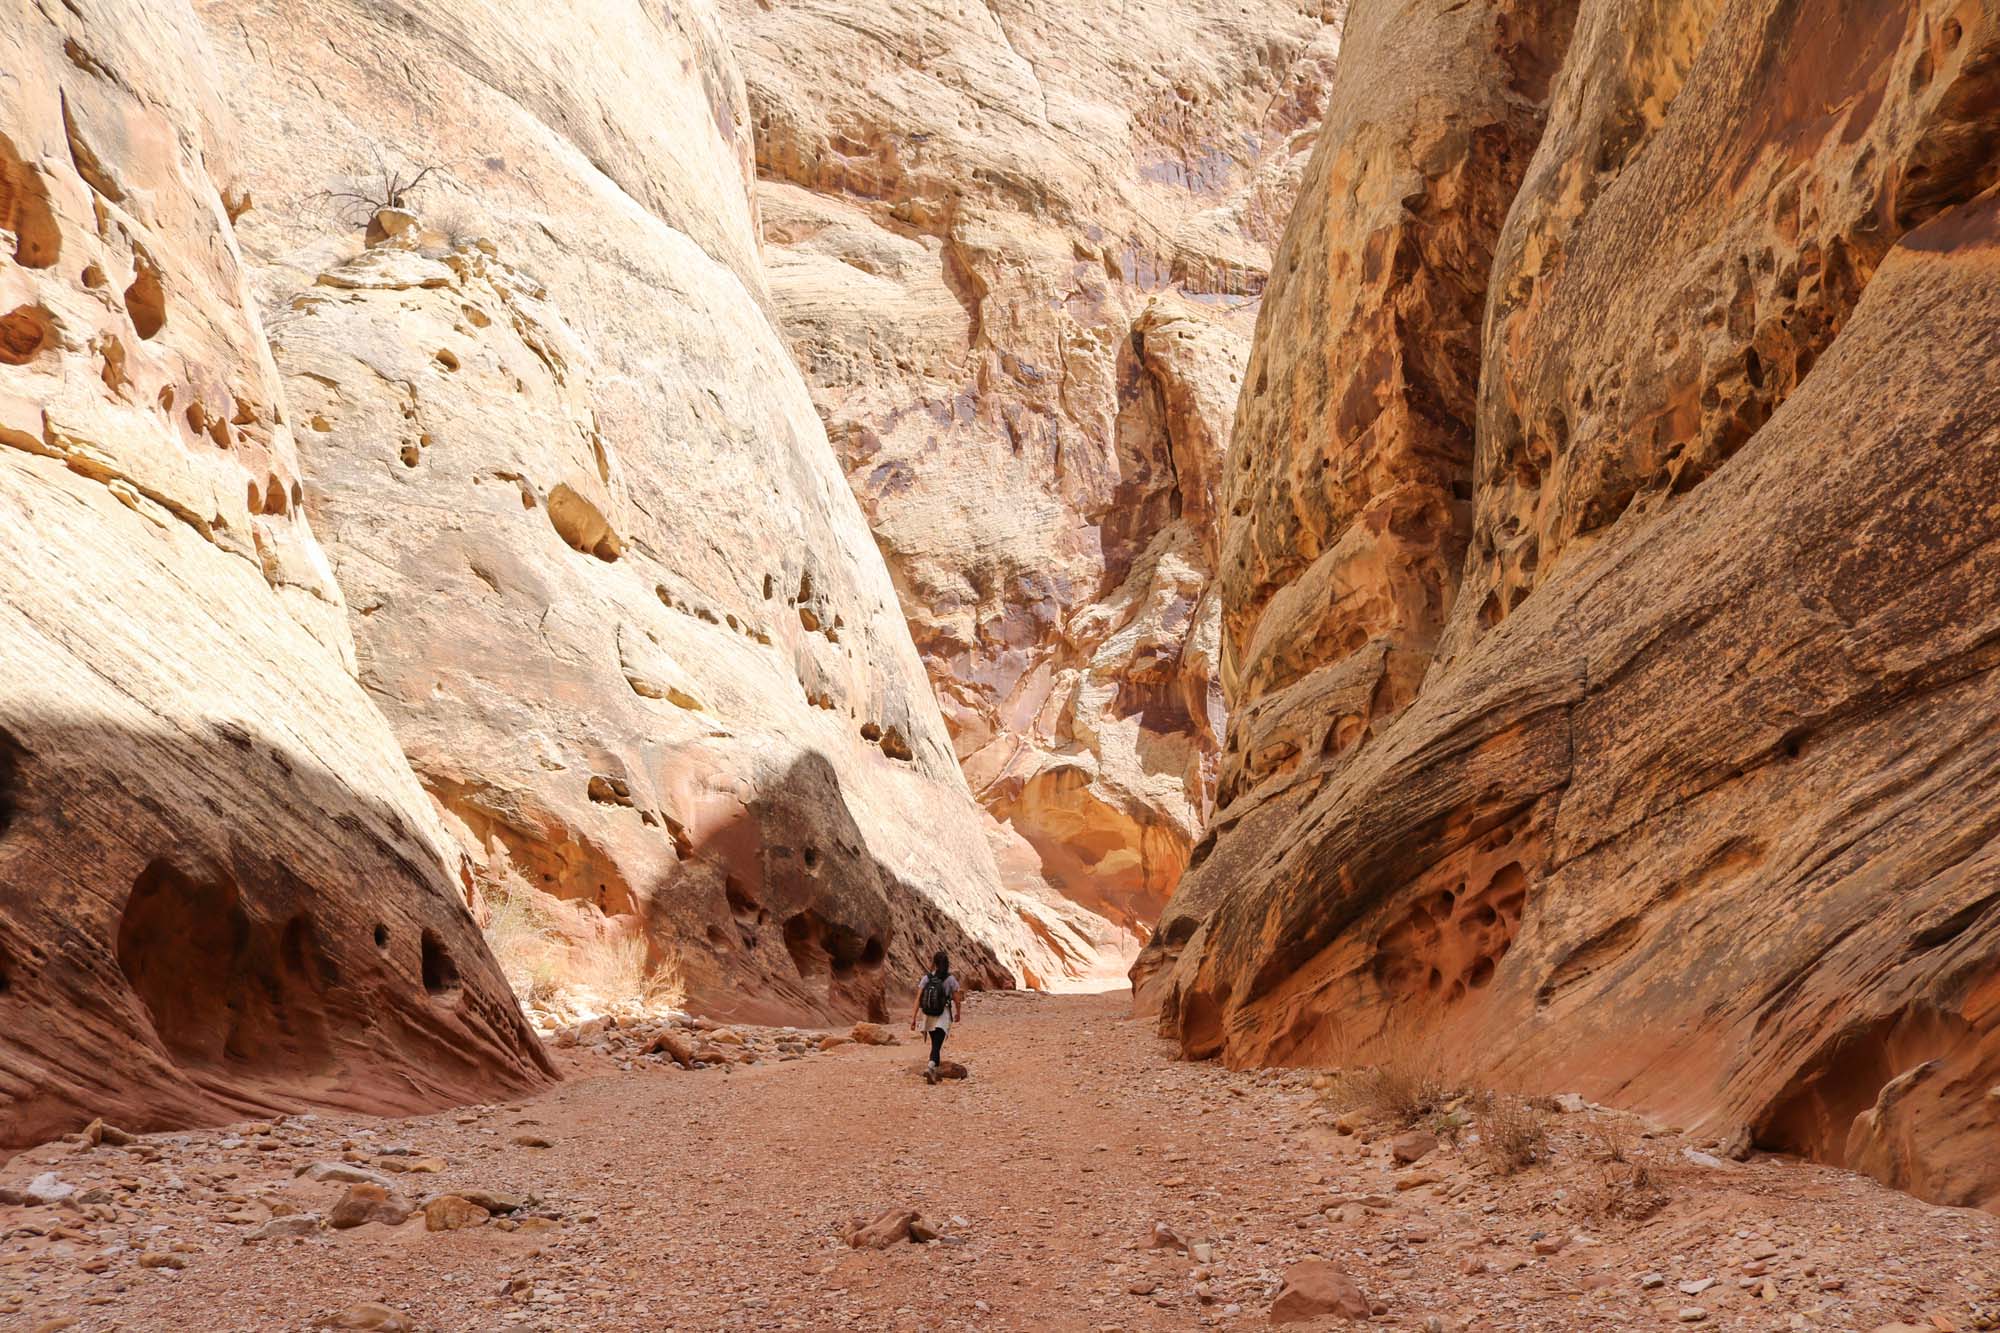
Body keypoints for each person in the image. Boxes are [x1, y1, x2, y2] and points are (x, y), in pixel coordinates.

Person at [909, 949, 962, 1084]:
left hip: (928, 1015)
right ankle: (930, 1066)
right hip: (942, 1015)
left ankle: (934, 1072)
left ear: (934, 963)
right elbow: (957, 999)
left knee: (935, 1043)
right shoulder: (950, 979)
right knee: (937, 1045)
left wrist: (914, 1018)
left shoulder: (927, 978)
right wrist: (958, 1013)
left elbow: (918, 998)